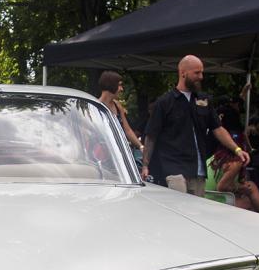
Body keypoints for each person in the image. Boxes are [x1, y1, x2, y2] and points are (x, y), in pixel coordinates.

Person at [142, 55, 249, 196]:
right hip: (174, 169)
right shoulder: (164, 102)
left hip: (198, 170)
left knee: (196, 213)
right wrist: (145, 165)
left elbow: (218, 128)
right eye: (197, 72)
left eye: (202, 72)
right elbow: (151, 135)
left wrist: (237, 149)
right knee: (178, 208)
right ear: (183, 73)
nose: (201, 76)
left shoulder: (203, 99)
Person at [96, 71, 143, 151]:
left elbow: (127, 130)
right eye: (119, 85)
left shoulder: (118, 106)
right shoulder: (95, 106)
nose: (122, 89)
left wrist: (141, 147)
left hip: (119, 151)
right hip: (103, 153)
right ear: (111, 85)